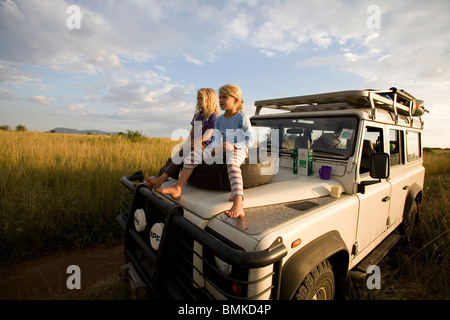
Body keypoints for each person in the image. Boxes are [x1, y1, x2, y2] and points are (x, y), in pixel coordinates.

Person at [157, 84, 254, 218]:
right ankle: (177, 188)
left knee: (232, 163)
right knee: (193, 156)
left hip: (239, 149)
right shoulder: (220, 119)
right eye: (219, 97)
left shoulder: (241, 118)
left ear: (236, 100)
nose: (220, 100)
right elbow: (216, 138)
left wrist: (234, 146)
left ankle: (238, 202)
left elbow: (250, 139)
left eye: (224, 97)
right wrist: (213, 148)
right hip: (222, 148)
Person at [143, 88, 219, 190]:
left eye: (201, 98)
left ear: (210, 100)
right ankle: (155, 180)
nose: (199, 100)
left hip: (205, 145)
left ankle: (159, 181)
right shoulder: (197, 116)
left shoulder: (213, 116)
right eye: (198, 98)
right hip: (194, 144)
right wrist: (186, 143)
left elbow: (207, 135)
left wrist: (190, 144)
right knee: (174, 157)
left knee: (182, 152)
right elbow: (191, 134)